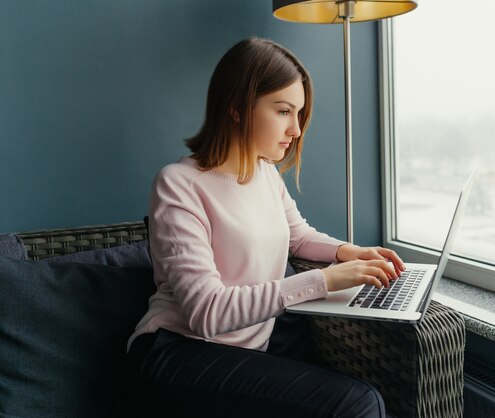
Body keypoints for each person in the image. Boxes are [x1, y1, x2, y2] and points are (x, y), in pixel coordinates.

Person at [127, 37, 405, 418]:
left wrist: (349, 253)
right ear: (237, 108)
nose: (296, 129)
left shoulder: (265, 172)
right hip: (179, 352)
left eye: (299, 113)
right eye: (283, 111)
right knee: (358, 404)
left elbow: (299, 236)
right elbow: (206, 312)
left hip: (247, 348)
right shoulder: (177, 184)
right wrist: (324, 281)